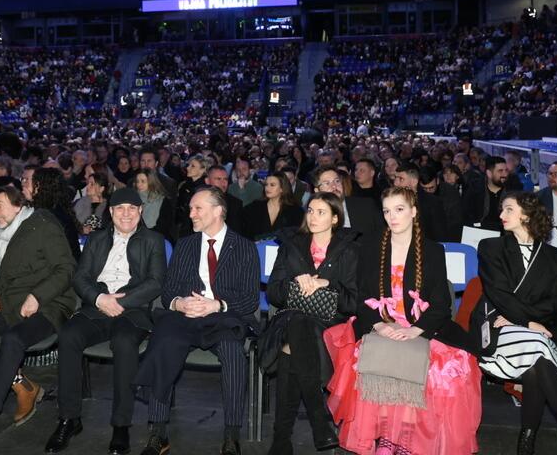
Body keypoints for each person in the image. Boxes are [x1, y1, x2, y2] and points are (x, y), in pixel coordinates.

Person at [323, 187, 481, 455]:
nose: (392, 217)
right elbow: (362, 296)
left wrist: (416, 330)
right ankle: (386, 436)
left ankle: (406, 439)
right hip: (379, 324)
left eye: (399, 209)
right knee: (375, 360)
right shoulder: (371, 246)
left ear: (413, 212)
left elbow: (442, 303)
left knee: (445, 370)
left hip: (421, 326)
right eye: (387, 211)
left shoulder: (432, 251)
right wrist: (380, 325)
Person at [132, 188, 260, 455]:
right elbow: (168, 291)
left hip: (223, 317)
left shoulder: (245, 247)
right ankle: (158, 432)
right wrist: (179, 303)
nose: (191, 214)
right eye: (190, 208)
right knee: (163, 340)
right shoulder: (186, 244)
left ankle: (231, 434)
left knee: (232, 351)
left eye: (197, 208)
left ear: (217, 211)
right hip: (186, 316)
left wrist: (217, 304)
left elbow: (250, 300)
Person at [475, 192, 557, 455]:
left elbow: (554, 302)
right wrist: (527, 322)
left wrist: (528, 321)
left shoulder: (556, 257)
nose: (501, 216)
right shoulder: (490, 247)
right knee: (538, 346)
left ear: (527, 215)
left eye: (508, 209)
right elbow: (499, 294)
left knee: (536, 357)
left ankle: (527, 440)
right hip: (500, 323)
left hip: (539, 326)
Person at [45, 187, 168, 455]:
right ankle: (69, 418)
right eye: (119, 209)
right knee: (68, 336)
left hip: (133, 310)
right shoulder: (97, 240)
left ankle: (121, 425)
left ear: (140, 212)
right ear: (110, 212)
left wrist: (119, 302)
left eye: (132, 209)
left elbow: (156, 283)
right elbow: (80, 278)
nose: (126, 214)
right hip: (97, 306)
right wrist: (100, 299)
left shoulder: (153, 240)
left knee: (124, 343)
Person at [0, 186, 76, 453]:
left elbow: (66, 268)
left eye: (0, 205)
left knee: (13, 339)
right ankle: (22, 385)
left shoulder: (41, 224)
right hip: (10, 306)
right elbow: (1, 278)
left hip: (48, 305)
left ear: (18, 204)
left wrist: (37, 296)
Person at [261, 192, 358, 453]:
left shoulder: (349, 250)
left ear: (335, 218)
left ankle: (281, 440)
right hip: (290, 318)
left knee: (291, 349)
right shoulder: (291, 244)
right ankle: (319, 420)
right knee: (298, 324)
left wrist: (327, 285)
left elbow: (354, 302)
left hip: (331, 326)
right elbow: (273, 293)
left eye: (321, 212)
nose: (313, 217)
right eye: (311, 211)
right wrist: (296, 282)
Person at [392, 162, 462, 242]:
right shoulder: (393, 201)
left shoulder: (432, 203)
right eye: (395, 178)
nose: (395, 183)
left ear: (414, 182)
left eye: (401, 179)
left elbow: (440, 236)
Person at [312, 166, 381, 241]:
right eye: (327, 183)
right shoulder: (314, 217)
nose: (334, 186)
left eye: (337, 181)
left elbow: (384, 236)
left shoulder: (366, 206)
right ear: (317, 191)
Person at [238, 172, 304, 241]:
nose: (267, 188)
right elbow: (244, 232)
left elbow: (298, 237)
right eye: (266, 185)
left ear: (282, 188)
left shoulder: (295, 211)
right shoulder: (254, 207)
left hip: (284, 250)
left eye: (272, 185)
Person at [463, 156, 510, 230]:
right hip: (479, 231)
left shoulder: (512, 191)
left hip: (504, 233)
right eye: (500, 171)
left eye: (506, 170)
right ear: (489, 173)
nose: (505, 174)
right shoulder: (475, 190)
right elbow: (467, 215)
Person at [133, 168, 175, 239]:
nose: (139, 184)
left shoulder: (162, 200)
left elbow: (164, 226)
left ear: (151, 182)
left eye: (143, 181)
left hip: (157, 238)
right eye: (137, 181)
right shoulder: (133, 199)